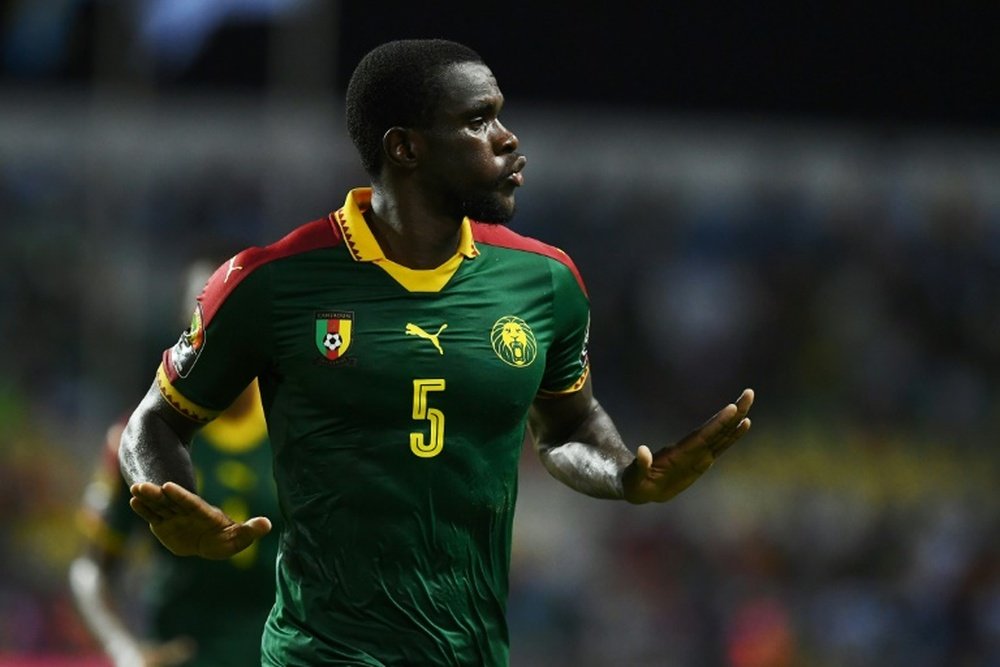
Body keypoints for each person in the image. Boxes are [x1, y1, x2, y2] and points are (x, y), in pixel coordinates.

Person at [118, 38, 754, 666]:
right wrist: (163, 490)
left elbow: (568, 428)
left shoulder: (545, 283)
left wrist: (623, 475)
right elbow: (155, 422)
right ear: (405, 147)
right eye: (478, 120)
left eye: (499, 115)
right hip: (321, 654)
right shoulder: (270, 283)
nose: (508, 139)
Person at [69, 259, 281, 667]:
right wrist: (124, 650)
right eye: (202, 320)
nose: (217, 336)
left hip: (279, 655)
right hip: (182, 655)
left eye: (232, 317)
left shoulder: (299, 426)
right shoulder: (139, 440)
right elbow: (90, 571)